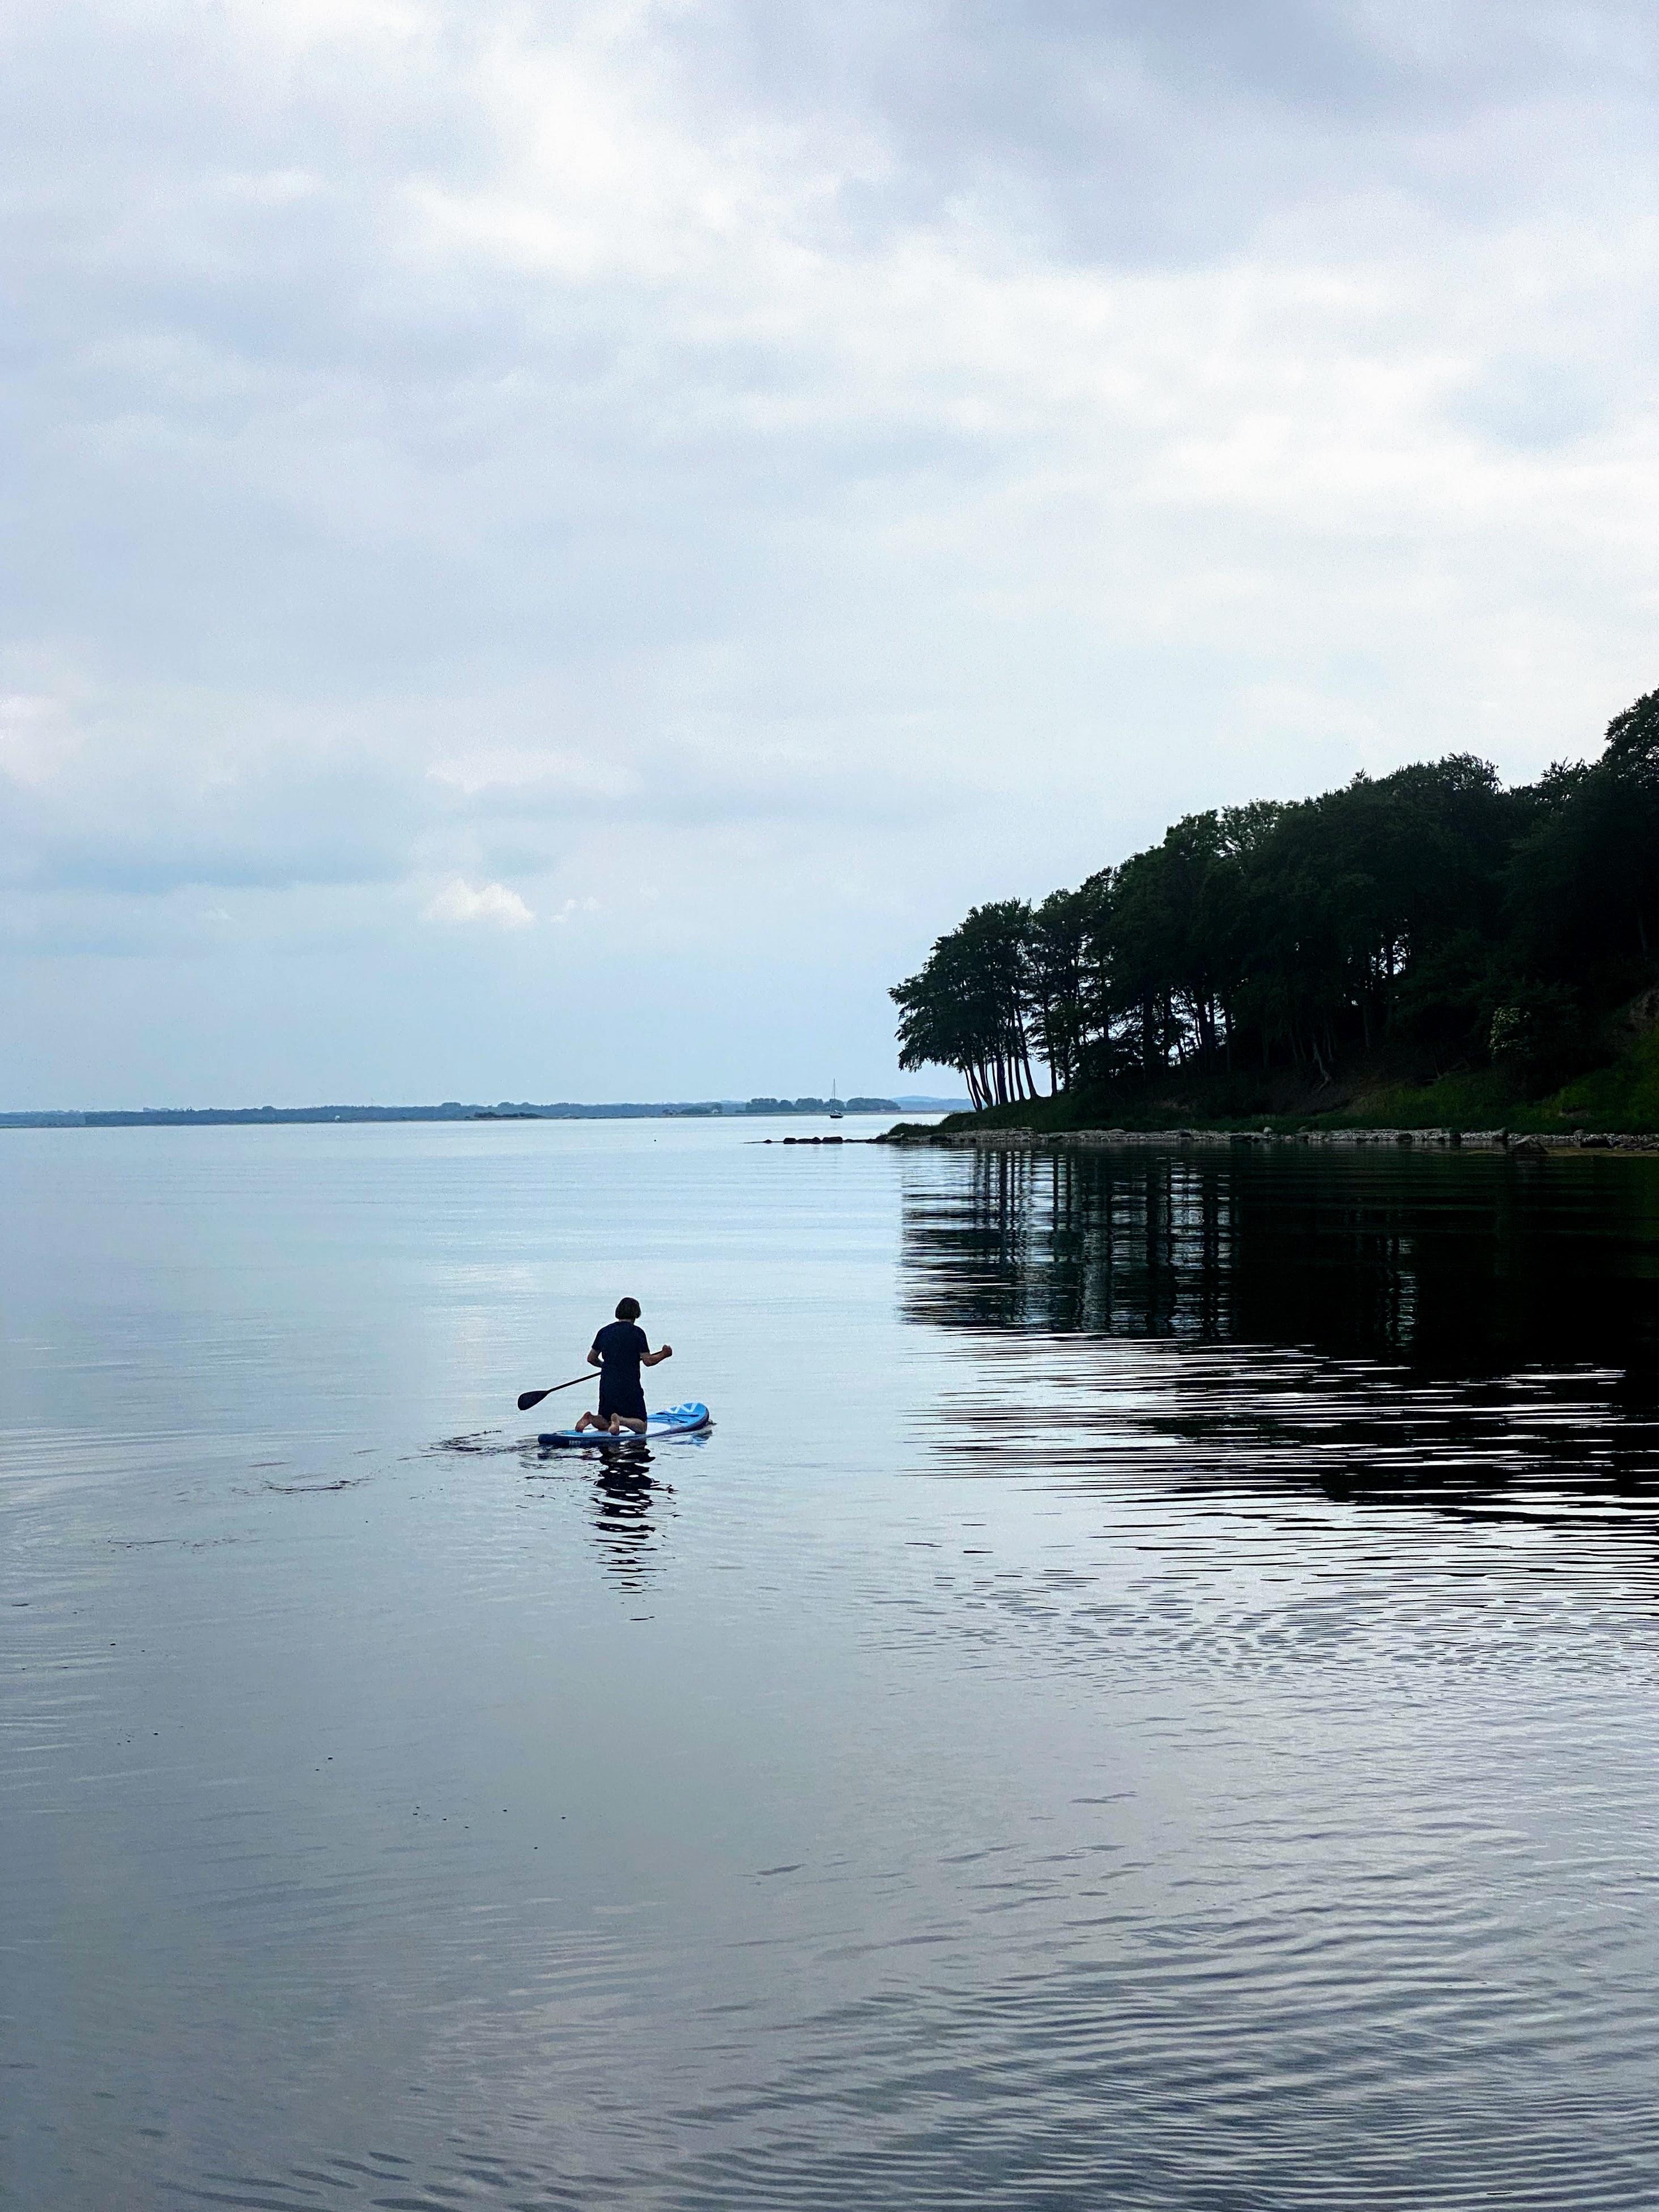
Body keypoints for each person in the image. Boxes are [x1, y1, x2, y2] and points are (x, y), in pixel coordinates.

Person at [574, 1296, 673, 1435]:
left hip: (607, 1382)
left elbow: (591, 1359)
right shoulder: (637, 1333)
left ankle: (590, 1419)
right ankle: (621, 1420)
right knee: (642, 1427)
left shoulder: (604, 1331)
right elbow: (648, 1361)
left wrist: (607, 1367)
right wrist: (664, 1354)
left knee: (606, 1419)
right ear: (636, 1314)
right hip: (629, 1384)